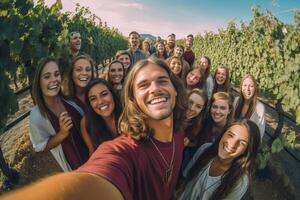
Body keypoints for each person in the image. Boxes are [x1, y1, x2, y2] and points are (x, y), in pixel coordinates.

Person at [3, 57, 188, 200]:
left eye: (162, 80)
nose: (154, 88)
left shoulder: (176, 132)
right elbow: (99, 167)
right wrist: (62, 135)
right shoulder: (118, 146)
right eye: (144, 85)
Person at [29, 58, 88, 172]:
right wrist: (62, 134)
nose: (54, 80)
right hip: (75, 166)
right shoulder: (36, 115)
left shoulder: (70, 101)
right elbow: (40, 147)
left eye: (56, 74)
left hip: (92, 155)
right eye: (47, 76)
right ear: (39, 82)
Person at [177, 119, 261, 200]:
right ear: (223, 134)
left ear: (246, 150)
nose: (232, 144)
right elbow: (184, 180)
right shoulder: (205, 149)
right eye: (231, 135)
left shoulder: (239, 181)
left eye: (242, 143)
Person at [80, 78, 122, 156]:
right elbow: (93, 154)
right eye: (93, 99)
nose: (100, 102)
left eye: (104, 94)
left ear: (112, 94)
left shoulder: (127, 112)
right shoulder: (86, 123)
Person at [233, 74, 266, 139]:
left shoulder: (259, 107)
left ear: (255, 88)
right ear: (241, 87)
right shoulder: (236, 101)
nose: (247, 89)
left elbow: (260, 133)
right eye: (245, 85)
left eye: (251, 86)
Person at [182, 89, 208, 170]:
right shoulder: (172, 115)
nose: (192, 108)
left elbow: (196, 143)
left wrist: (188, 144)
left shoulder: (198, 125)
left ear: (202, 109)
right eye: (190, 102)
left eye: (198, 106)